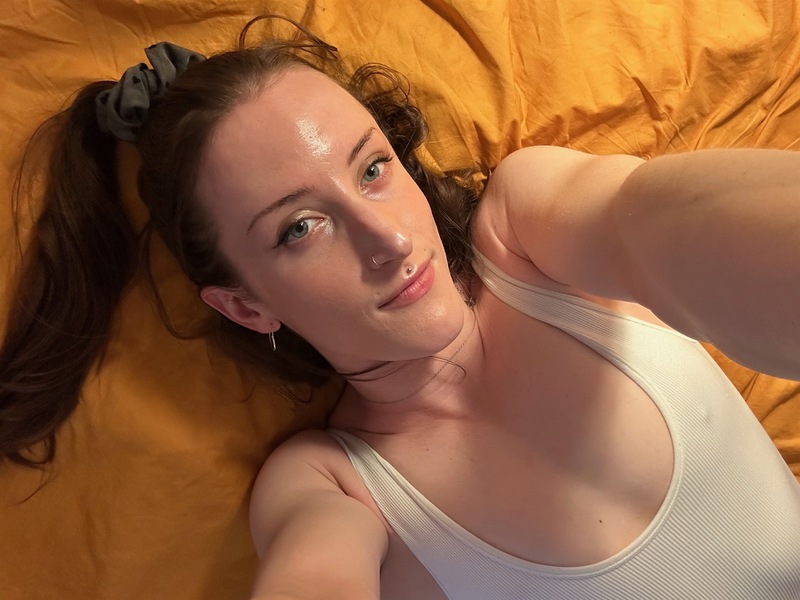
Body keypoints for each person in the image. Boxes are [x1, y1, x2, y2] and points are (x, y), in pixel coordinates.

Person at [2, 17, 800, 600]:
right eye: (300, 227)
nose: (386, 237)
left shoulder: (531, 234)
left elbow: (652, 220)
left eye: (373, 169)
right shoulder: (334, 485)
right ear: (246, 306)